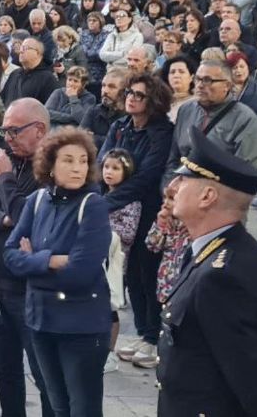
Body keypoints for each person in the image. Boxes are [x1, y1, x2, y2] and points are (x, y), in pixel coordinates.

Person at [155, 126, 257, 417]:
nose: (172, 187)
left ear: (207, 196)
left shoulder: (222, 276)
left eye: (183, 179)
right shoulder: (211, 253)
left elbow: (252, 384)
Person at [3, 126, 112, 417]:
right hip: (40, 319)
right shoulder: (36, 201)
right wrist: (50, 260)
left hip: (81, 325)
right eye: (68, 160)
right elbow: (10, 257)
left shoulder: (94, 206)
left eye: (83, 160)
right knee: (56, 405)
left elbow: (81, 273)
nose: (77, 168)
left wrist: (33, 261)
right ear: (50, 164)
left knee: (82, 409)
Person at [0, 98, 54, 416]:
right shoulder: (9, 161)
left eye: (14, 130)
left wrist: (4, 180)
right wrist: (3, 220)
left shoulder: (54, 167)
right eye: (5, 130)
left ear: (39, 130)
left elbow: (28, 219)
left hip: (32, 291)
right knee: (4, 370)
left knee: (46, 376)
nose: (7, 137)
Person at [98, 72, 173, 370]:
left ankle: (152, 336)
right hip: (117, 209)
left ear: (153, 101)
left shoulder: (162, 132)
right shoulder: (120, 126)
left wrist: (106, 203)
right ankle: (142, 331)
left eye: (139, 94)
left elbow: (146, 177)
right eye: (129, 92)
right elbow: (103, 162)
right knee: (128, 275)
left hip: (147, 210)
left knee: (148, 271)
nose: (131, 97)